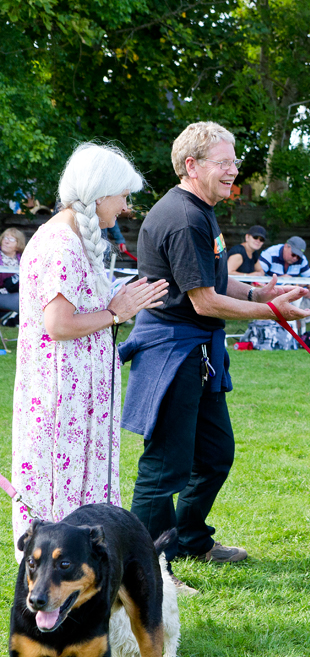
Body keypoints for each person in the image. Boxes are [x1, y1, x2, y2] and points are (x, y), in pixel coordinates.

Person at [120, 122, 310, 577]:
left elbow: (214, 281)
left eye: (234, 161)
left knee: (214, 455)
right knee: (164, 469)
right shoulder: (184, 217)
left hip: (198, 352)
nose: (234, 170)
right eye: (224, 162)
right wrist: (274, 315)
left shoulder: (201, 209)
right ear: (192, 165)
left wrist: (261, 296)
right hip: (172, 352)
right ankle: (149, 570)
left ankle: (189, 540)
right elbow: (203, 301)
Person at [10, 143, 169, 558]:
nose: (125, 206)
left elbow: (79, 308)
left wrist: (121, 302)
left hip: (81, 394)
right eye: (122, 196)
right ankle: (55, 572)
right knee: (59, 490)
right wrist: (117, 312)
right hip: (63, 394)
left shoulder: (74, 238)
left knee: (82, 491)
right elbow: (59, 325)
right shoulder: (60, 242)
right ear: (100, 194)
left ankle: (85, 572)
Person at [0, 228, 26, 315]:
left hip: (17, 293)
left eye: (11, 239)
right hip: (2, 294)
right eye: (5, 238)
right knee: (20, 300)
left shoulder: (24, 259)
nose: (6, 242)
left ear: (18, 244)